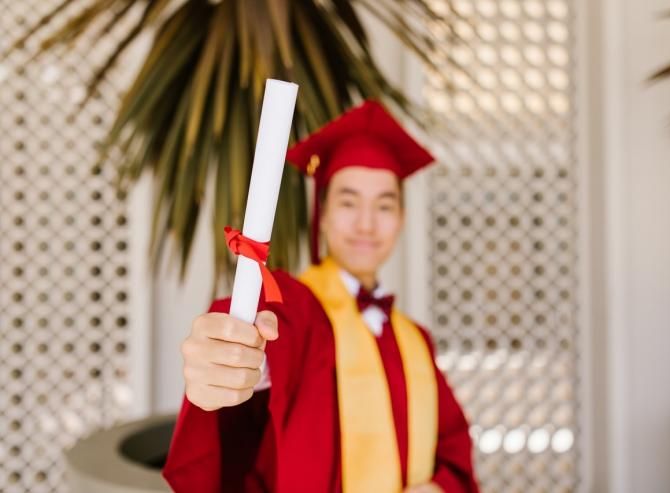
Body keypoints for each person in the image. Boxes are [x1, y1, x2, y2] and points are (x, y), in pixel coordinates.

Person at [163, 101, 478, 493]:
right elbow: (264, 323)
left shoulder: (415, 341)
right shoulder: (301, 308)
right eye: (348, 203)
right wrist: (230, 353)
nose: (366, 223)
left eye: (384, 205)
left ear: (401, 218)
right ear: (323, 215)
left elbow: (453, 452)